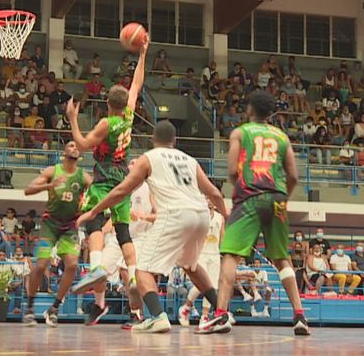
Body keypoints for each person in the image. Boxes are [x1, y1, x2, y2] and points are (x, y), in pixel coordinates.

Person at [77, 120, 227, 333]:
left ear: (152, 140)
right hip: (202, 215)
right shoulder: (189, 159)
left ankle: (157, 317)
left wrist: (94, 211)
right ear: (174, 141)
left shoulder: (149, 158)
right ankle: (221, 313)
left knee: (141, 270)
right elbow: (213, 193)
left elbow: (121, 191)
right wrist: (227, 215)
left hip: (175, 214)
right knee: (190, 265)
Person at [197, 91, 307, 335]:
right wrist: (283, 198)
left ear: (249, 109)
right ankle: (300, 316)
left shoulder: (241, 132)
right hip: (277, 198)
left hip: (249, 197)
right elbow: (294, 176)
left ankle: (220, 314)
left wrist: (240, 192)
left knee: (230, 256)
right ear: (271, 113)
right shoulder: (282, 137)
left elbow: (233, 171)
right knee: (282, 259)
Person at [66, 37, 149, 326]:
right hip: (122, 180)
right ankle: (135, 272)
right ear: (125, 103)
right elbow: (137, 84)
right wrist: (142, 54)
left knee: (93, 221)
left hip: (103, 177)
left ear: (107, 103)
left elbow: (82, 144)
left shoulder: (107, 123)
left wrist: (72, 119)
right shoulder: (129, 115)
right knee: (124, 231)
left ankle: (98, 267)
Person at [22, 141, 91, 326]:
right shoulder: (52, 171)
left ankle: (54, 307)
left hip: (70, 226)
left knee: (72, 265)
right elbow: (27, 190)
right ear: (64, 151)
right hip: (50, 224)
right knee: (41, 264)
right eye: (71, 145)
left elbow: (96, 194)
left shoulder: (83, 176)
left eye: (77, 146)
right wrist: (48, 186)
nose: (75, 148)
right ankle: (29, 307)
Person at [178, 199, 223, 326]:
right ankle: (186, 307)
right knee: (201, 285)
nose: (209, 201)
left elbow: (222, 237)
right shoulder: (199, 216)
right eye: (207, 198)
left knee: (212, 287)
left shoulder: (220, 218)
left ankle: (204, 316)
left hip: (214, 255)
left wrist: (222, 253)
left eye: (211, 199)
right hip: (201, 253)